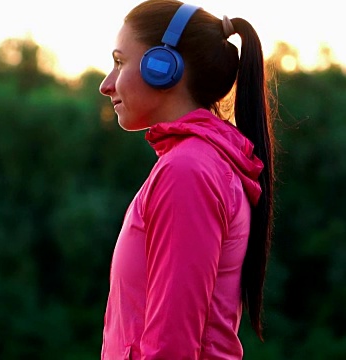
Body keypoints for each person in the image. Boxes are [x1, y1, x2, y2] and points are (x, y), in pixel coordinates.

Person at [98, 0, 276, 358]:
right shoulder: (197, 164)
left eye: (119, 62)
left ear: (162, 66)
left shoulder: (188, 172)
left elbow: (172, 346)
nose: (106, 84)